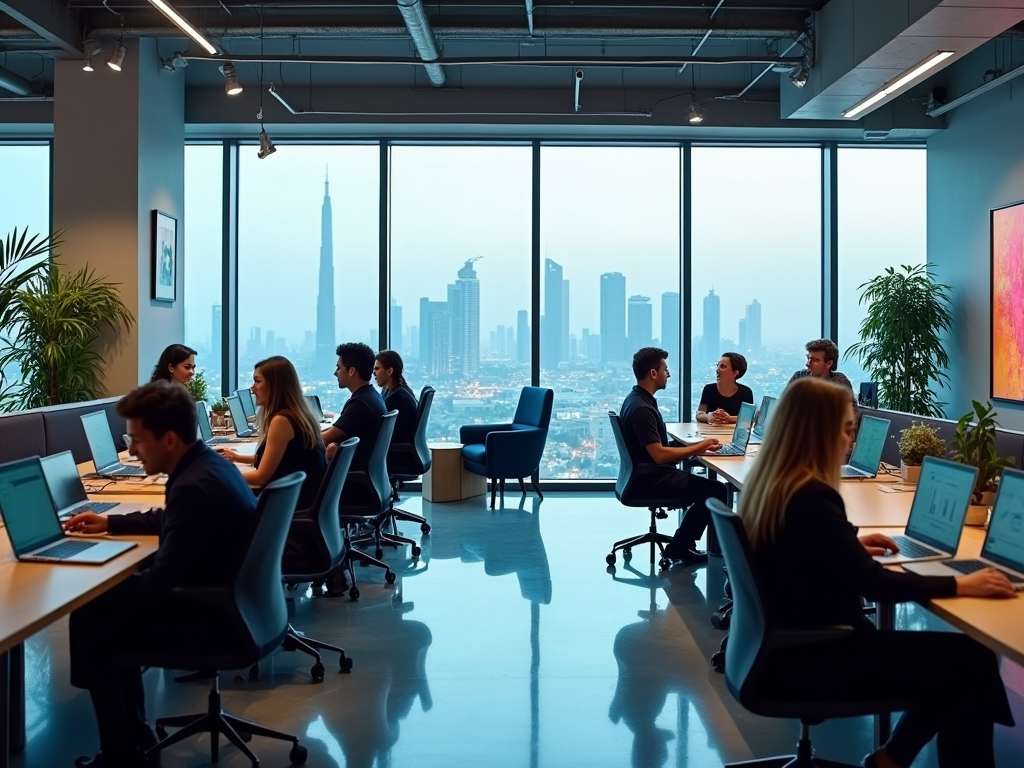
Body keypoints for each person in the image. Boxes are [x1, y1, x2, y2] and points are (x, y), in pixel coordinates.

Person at [739, 377, 1015, 768]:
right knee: (969, 663)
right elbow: (875, 584)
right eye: (848, 429)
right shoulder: (813, 496)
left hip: (780, 651)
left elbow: (798, 550)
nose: (852, 440)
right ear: (820, 432)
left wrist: (847, 549)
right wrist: (962, 583)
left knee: (965, 663)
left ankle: (891, 757)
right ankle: (891, 758)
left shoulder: (777, 484)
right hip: (816, 659)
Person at [64, 381, 258, 768]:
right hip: (242, 606)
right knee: (102, 608)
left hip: (212, 619)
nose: (132, 450)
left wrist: (94, 584)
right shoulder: (207, 465)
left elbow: (159, 585)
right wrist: (109, 523)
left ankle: (121, 755)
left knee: (90, 615)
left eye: (136, 440)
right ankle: (133, 739)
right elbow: (172, 520)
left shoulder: (192, 484)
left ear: (168, 439)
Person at [620, 347, 729, 565]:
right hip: (651, 479)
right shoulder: (642, 408)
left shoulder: (638, 400)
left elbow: (653, 448)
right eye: (665, 370)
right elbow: (659, 455)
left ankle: (681, 546)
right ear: (653, 373)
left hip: (644, 474)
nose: (668, 374)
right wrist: (698, 448)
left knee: (709, 488)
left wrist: (689, 446)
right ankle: (680, 548)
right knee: (716, 490)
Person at [215, 356, 326, 510]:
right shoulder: (298, 415)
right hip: (301, 499)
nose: (253, 388)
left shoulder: (282, 421)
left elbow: (261, 477)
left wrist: (216, 475)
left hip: (288, 507)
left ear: (275, 385)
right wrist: (238, 457)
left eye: (257, 381)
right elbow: (284, 459)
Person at [321, 342, 387, 473]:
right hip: (365, 472)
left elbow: (323, 440)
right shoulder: (371, 396)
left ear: (351, 371)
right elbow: (337, 430)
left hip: (352, 476)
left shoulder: (361, 404)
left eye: (339, 368)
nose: (335, 373)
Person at [695, 352, 754, 425]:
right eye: (718, 366)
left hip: (733, 434)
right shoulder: (709, 389)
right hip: (710, 433)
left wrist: (727, 418)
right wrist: (710, 417)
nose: (717, 370)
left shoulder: (746, 392)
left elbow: (748, 418)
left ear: (735, 373)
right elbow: (699, 414)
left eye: (722, 366)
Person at [374, 350, 418, 445]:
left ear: (389, 371)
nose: (374, 373)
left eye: (377, 369)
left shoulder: (397, 398)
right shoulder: (397, 390)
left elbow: (381, 431)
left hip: (395, 450)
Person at [788, 338, 854, 393]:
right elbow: (784, 404)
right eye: (808, 358)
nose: (807, 364)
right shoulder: (799, 376)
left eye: (814, 360)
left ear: (829, 364)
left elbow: (851, 408)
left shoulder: (839, 383)